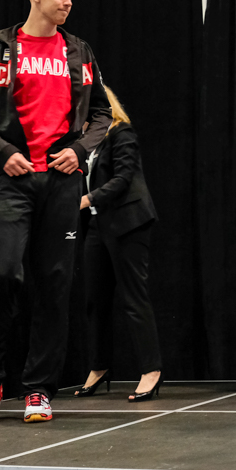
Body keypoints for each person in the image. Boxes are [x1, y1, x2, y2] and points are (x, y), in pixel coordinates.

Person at [0, 0, 111, 427]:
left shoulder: (79, 50)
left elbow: (102, 114)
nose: (68, 2)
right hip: (11, 181)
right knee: (0, 275)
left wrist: (79, 150)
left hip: (61, 184)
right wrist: (2, 152)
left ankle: (39, 389)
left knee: (53, 286)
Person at [75, 85, 162, 402]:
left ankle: (151, 371)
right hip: (99, 224)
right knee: (94, 300)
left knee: (133, 297)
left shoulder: (120, 132)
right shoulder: (86, 142)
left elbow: (123, 178)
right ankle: (99, 367)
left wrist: (87, 199)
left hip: (128, 222)